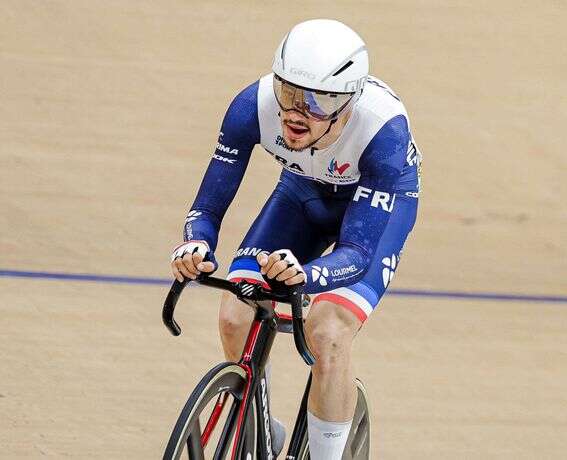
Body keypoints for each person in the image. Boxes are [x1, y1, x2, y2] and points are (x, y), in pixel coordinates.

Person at [170, 18, 420, 460]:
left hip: (375, 209)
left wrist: (305, 274)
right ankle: (262, 428)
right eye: (289, 92)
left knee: (328, 330)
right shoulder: (254, 105)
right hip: (302, 193)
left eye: (319, 101)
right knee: (236, 313)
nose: (296, 112)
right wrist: (197, 244)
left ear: (348, 102)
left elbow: (358, 254)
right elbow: (207, 208)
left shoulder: (384, 133)